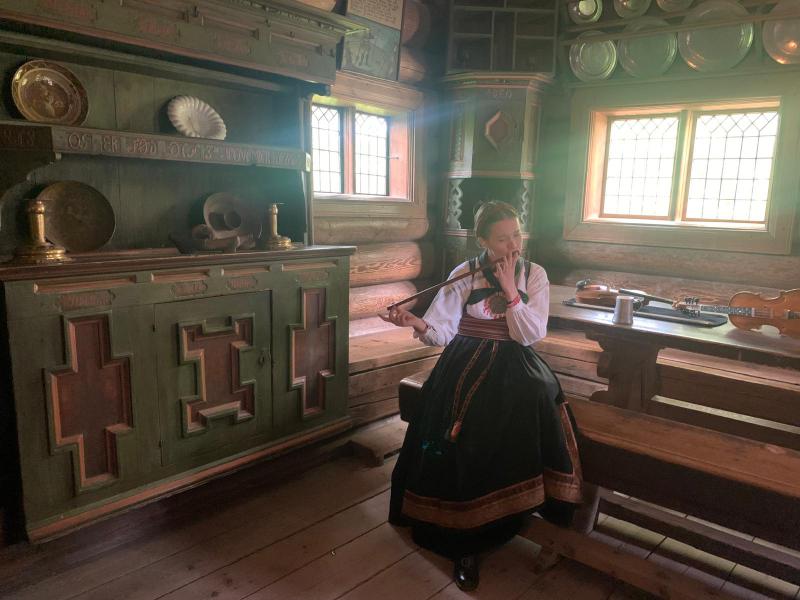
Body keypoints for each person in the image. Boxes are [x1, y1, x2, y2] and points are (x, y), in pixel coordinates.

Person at [380, 201, 583, 591]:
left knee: (535, 399)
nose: (513, 245)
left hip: (514, 361)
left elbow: (530, 334)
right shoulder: (464, 273)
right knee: (462, 425)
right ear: (483, 241)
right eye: (502, 239)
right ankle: (464, 540)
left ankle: (517, 507)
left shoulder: (534, 274)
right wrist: (417, 322)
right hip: (464, 359)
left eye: (517, 235)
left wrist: (510, 291)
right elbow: (442, 331)